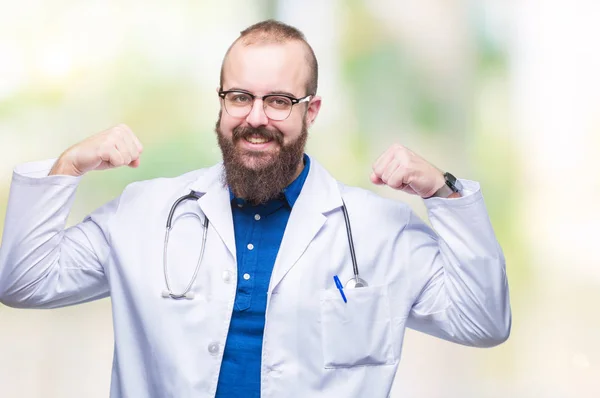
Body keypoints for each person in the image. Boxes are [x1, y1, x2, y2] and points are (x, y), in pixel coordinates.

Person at [0, 19, 511, 398]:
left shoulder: (378, 229)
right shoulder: (145, 212)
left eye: (280, 101)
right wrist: (67, 167)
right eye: (240, 97)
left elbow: (483, 321)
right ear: (221, 103)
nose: (256, 118)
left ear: (311, 109)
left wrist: (443, 194)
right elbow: (24, 282)